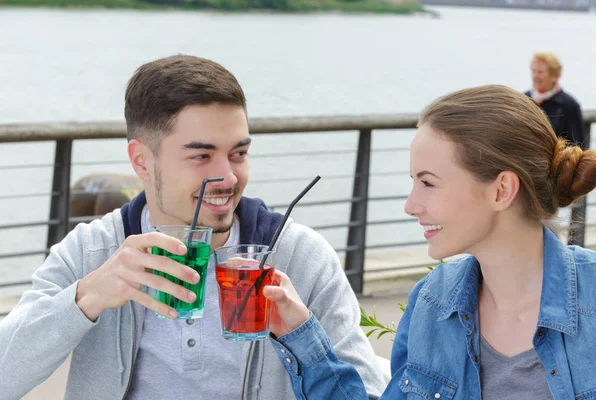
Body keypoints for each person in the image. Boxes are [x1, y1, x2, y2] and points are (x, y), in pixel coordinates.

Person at [0, 55, 386, 399]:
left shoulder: (299, 256)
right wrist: (87, 297)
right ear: (142, 161)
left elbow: (367, 392)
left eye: (238, 153)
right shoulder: (92, 252)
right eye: (201, 155)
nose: (227, 177)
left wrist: (304, 341)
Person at [263, 85, 596, 399]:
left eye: (428, 183)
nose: (410, 206)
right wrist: (301, 333)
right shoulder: (431, 302)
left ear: (501, 191)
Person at [525, 52, 586, 148]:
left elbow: (578, 146)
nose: (535, 76)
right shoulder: (524, 99)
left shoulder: (570, 105)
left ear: (555, 76)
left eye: (540, 72)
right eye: (533, 71)